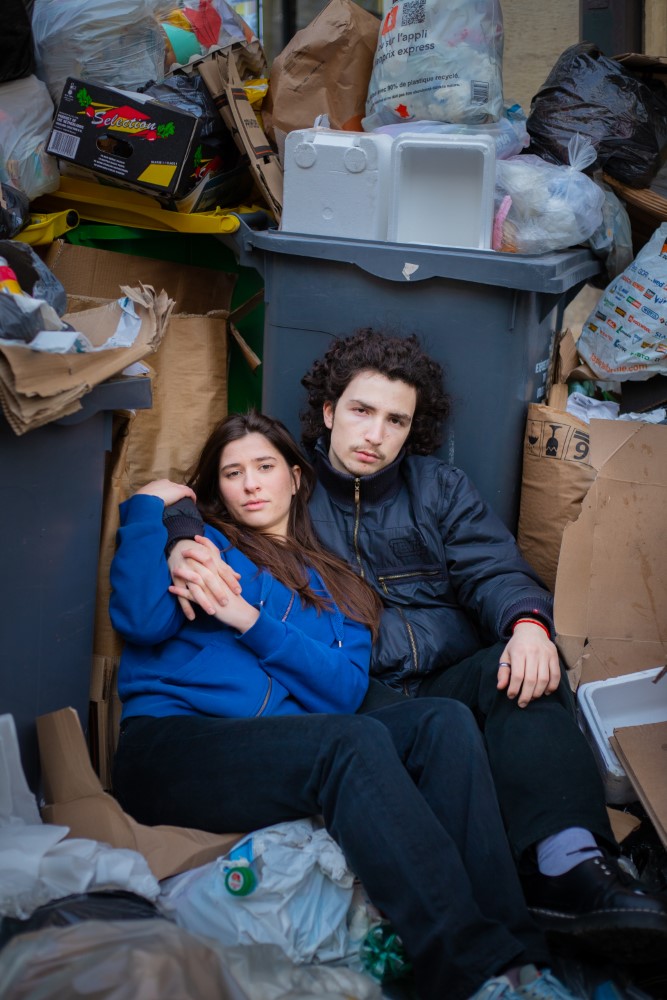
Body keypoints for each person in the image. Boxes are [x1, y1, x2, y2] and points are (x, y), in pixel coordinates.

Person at [162, 333, 667, 964]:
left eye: (395, 419)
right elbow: (193, 488)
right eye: (361, 411)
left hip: (442, 674)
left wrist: (528, 625)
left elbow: (494, 572)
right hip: (349, 689)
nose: (375, 433)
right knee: (420, 719)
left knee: (527, 669)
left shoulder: (438, 489)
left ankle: (572, 870)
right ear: (328, 412)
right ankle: (491, 919)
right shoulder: (286, 483)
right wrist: (181, 533)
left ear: (411, 428)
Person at [109, 410, 579, 1000]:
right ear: (217, 488)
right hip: (170, 747)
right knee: (349, 740)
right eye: (233, 472)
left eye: (264, 467)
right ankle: (471, 971)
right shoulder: (201, 542)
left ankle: (523, 964)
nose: (251, 483)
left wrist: (250, 621)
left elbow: (342, 689)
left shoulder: (337, 586)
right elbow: (141, 620)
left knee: (443, 719)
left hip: (268, 749)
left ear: (296, 478)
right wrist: (154, 507)